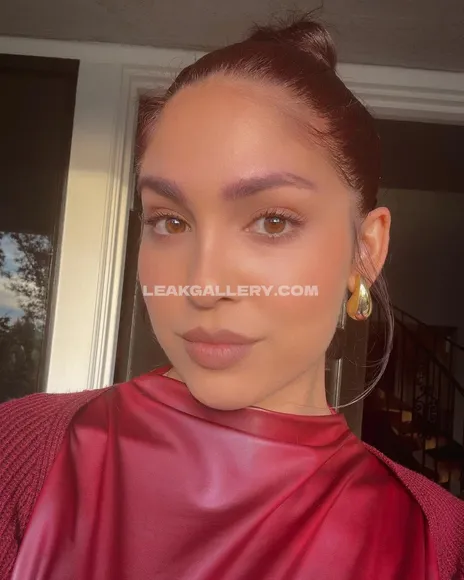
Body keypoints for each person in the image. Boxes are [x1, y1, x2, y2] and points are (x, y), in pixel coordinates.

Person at [0, 15, 463, 580]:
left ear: (365, 250)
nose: (202, 284)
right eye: (170, 221)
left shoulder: (439, 546)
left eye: (272, 221)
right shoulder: (17, 454)